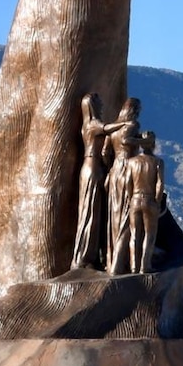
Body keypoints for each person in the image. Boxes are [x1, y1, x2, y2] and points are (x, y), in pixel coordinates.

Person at [102, 98, 142, 275]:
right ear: (133, 110)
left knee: (115, 218)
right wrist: (143, 142)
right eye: (138, 109)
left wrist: (111, 165)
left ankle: (113, 262)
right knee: (126, 217)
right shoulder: (132, 125)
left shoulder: (113, 128)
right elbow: (126, 140)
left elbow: (104, 152)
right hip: (127, 169)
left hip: (115, 170)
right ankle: (118, 266)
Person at [71, 93, 109, 269]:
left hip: (94, 166)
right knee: (89, 211)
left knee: (94, 210)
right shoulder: (92, 124)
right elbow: (110, 128)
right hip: (92, 166)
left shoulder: (89, 125)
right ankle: (83, 257)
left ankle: (91, 255)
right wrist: (129, 122)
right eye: (99, 103)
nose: (102, 106)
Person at [127, 131, 166, 274]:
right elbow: (160, 184)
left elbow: (128, 183)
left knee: (135, 234)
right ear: (153, 144)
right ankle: (145, 266)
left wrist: (132, 198)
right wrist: (157, 200)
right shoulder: (158, 162)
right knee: (149, 234)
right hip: (150, 201)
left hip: (135, 200)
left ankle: (133, 266)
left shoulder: (132, 162)